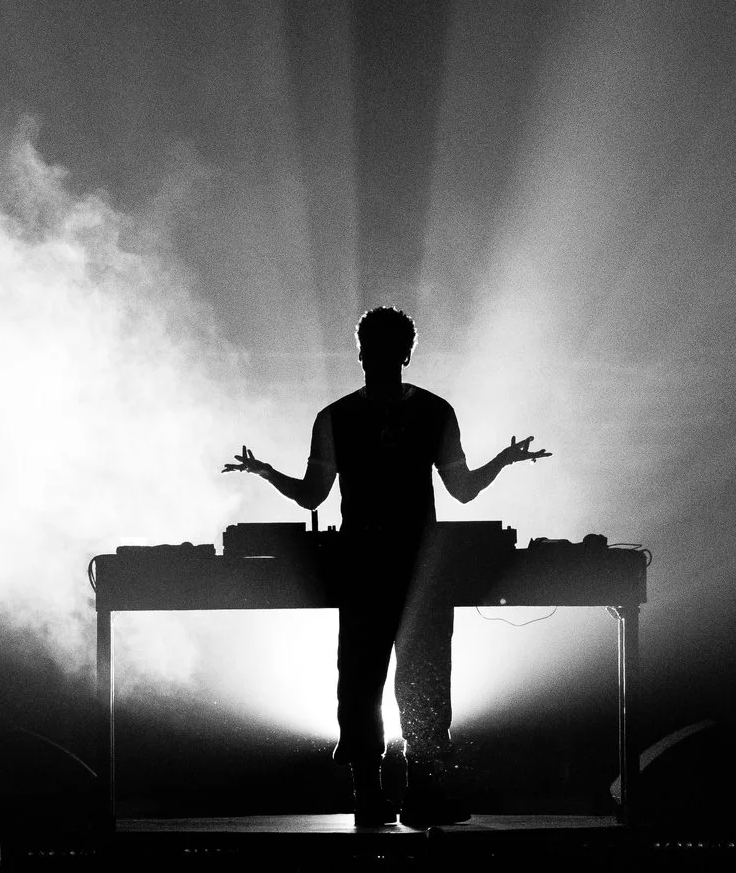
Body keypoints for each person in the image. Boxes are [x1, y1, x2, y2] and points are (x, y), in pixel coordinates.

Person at [227, 307, 547, 826]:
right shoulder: (435, 412)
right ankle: (421, 793)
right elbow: (462, 490)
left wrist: (266, 473)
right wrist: (503, 461)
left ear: (360, 351)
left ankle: (369, 797)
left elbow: (312, 493)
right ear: (407, 352)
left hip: (363, 567)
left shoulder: (335, 417)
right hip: (419, 567)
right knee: (421, 677)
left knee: (360, 678)